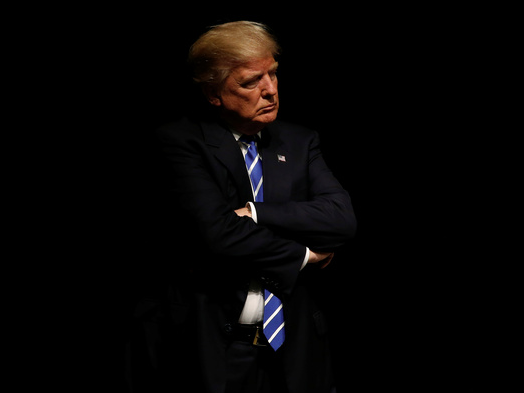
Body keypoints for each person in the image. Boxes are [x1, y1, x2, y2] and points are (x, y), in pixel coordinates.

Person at [135, 20, 357, 393]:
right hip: (214, 345)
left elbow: (342, 220)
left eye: (272, 74)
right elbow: (218, 235)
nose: (270, 90)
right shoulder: (181, 142)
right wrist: (304, 254)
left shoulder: (300, 142)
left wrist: (256, 213)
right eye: (251, 82)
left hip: (296, 345)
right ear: (213, 93)